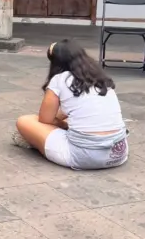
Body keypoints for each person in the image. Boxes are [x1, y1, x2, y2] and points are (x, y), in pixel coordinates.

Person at [13, 40, 128, 170]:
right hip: (119, 153)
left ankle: (36, 141)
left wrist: (63, 124)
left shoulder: (59, 79)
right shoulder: (100, 77)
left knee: (25, 121)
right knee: (75, 117)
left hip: (82, 156)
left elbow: (45, 119)